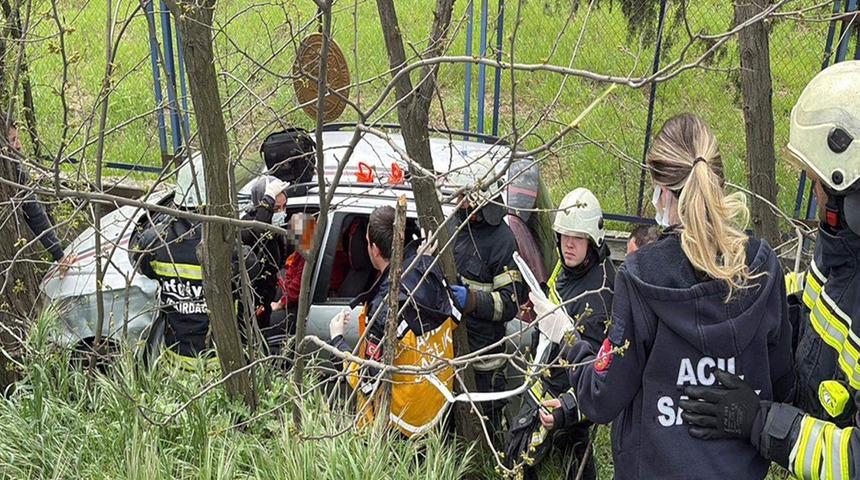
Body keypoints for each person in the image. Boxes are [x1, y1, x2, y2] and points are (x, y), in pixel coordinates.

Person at [564, 113, 794, 479]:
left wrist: (570, 343)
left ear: (663, 192)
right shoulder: (762, 266)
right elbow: (782, 384)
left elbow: (601, 398)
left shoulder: (641, 277)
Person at [682, 60, 860, 480]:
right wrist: (743, 285)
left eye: (817, 182)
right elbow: (807, 298)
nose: (814, 193)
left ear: (850, 197)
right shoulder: (844, 248)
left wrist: (759, 423)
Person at [504, 187, 613, 480]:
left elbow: (598, 372)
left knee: (518, 459)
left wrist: (567, 409)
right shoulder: (566, 271)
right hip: (546, 378)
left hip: (566, 394)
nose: (569, 245)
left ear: (593, 241)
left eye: (577, 238)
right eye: (565, 236)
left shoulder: (597, 297)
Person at [330, 205, 456, 437]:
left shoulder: (384, 310)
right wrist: (425, 263)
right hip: (434, 406)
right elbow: (454, 315)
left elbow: (367, 381)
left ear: (374, 249)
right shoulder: (429, 272)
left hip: (400, 422)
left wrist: (338, 341)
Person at [130, 154, 260, 370]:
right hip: (218, 364)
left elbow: (145, 268)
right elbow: (253, 269)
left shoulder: (154, 241)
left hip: (174, 360)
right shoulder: (226, 249)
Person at [446, 164, 526, 444]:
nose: (459, 202)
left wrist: (473, 301)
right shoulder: (456, 225)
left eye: (464, 196)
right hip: (452, 348)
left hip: (485, 362)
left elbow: (510, 303)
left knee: (485, 426)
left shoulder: (502, 240)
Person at [2, 111, 70, 269]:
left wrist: (58, 254)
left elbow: (34, 211)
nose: (19, 145)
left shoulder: (15, 170)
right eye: (13, 140)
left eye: (18, 138)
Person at [240, 175, 289, 336]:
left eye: (284, 206)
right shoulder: (246, 227)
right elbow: (257, 234)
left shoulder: (275, 232)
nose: (282, 213)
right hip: (248, 308)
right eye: (276, 209)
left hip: (266, 301)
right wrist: (268, 200)